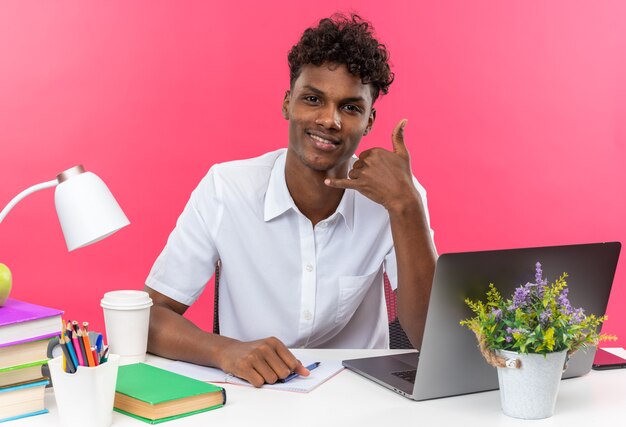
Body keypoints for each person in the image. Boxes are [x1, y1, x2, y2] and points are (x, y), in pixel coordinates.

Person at [144, 13, 437, 388]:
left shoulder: (397, 197)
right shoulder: (226, 189)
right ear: (287, 104)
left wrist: (406, 206)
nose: (329, 120)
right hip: (253, 396)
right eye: (313, 99)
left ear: (369, 121)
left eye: (350, 108)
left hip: (361, 399)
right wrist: (224, 350)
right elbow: (150, 315)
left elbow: (432, 340)